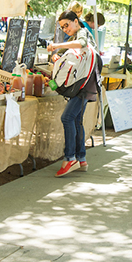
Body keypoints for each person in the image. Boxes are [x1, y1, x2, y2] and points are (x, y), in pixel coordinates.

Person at [47, 10, 99, 177]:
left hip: (82, 84)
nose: (65, 29)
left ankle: (70, 158)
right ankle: (81, 158)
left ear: (76, 21)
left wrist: (57, 46)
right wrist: (58, 56)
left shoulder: (82, 32)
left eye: (67, 25)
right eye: (62, 27)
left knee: (67, 118)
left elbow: (81, 44)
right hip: (85, 84)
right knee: (76, 120)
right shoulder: (74, 36)